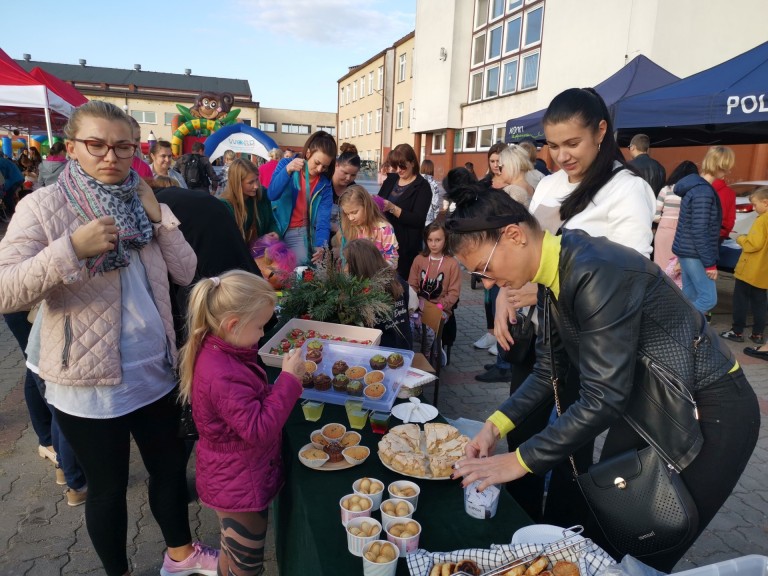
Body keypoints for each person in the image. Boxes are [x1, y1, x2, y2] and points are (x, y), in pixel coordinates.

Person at [445, 185, 759, 572]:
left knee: (641, 550)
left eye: (485, 269)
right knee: (602, 537)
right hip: (646, 405)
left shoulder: (596, 269)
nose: (488, 284)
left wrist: (521, 460)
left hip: (707, 411)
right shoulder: (552, 275)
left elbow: (603, 397)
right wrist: (495, 426)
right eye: (478, 276)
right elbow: (549, 372)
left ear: (514, 235)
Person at [0, 101, 218, 576]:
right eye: (96, 145)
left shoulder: (143, 201)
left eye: (123, 146)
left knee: (167, 471)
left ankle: (181, 556)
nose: (110, 156)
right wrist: (70, 250)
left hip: (153, 368)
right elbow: (6, 290)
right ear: (73, 147)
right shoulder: (43, 205)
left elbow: (186, 271)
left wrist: (158, 214)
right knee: (108, 488)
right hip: (87, 380)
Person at [492, 87, 656, 520]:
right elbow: (518, 249)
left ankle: (563, 538)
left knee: (570, 453)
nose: (561, 155)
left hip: (589, 346)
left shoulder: (627, 190)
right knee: (521, 432)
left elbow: (629, 278)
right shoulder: (548, 184)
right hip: (538, 336)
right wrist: (502, 301)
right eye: (553, 144)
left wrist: (544, 290)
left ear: (601, 132)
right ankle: (516, 528)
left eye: (572, 144)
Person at [178, 271, 304, 576]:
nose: (262, 334)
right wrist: (288, 380)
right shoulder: (222, 373)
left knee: (232, 550)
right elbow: (258, 429)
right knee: (246, 564)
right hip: (239, 482)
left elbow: (248, 404)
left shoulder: (220, 350)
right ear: (232, 325)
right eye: (260, 326)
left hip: (235, 475)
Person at [268, 130, 336, 266]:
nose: (319, 169)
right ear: (308, 153)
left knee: (300, 272)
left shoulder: (324, 185)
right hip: (275, 228)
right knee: (271, 273)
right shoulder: (286, 164)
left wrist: (321, 245)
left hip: (300, 233)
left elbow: (323, 220)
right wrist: (287, 171)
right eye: (317, 162)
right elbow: (272, 194)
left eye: (325, 166)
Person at [672, 147, 725, 315]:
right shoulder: (703, 191)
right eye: (727, 165)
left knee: (689, 295)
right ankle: (675, 328)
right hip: (695, 253)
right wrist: (710, 264)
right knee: (708, 298)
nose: (729, 170)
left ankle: (678, 333)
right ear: (719, 165)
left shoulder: (695, 188)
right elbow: (700, 230)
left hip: (687, 252)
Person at [378, 143, 433, 285]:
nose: (398, 170)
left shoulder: (422, 186)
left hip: (406, 247)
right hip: (385, 243)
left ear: (413, 163)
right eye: (395, 166)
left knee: (402, 287)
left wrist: (392, 208)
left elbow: (418, 220)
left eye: (402, 166)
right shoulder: (391, 180)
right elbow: (379, 201)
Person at [720, 186, 768, 345]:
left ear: (765, 203)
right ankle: (758, 334)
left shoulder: (762, 220)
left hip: (750, 269)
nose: (754, 209)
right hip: (763, 271)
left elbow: (754, 244)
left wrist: (741, 238)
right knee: (760, 303)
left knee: (740, 300)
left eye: (755, 205)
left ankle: (737, 331)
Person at [345, 239, 412, 350]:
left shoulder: (366, 293)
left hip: (383, 352)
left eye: (348, 263)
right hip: (405, 346)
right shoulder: (398, 280)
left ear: (360, 266)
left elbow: (360, 331)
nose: (345, 268)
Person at [474, 143, 508, 362]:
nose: (496, 165)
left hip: (504, 247)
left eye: (499, 161)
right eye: (492, 161)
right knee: (487, 296)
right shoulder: (486, 183)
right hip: (486, 245)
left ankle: (501, 337)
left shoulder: (512, 182)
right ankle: (490, 333)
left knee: (500, 294)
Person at [408, 221, 460, 357]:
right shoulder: (419, 259)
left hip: (440, 308)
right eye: (430, 240)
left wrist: (439, 306)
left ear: (445, 240)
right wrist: (415, 303)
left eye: (438, 240)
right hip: (418, 306)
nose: (433, 244)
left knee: (429, 329)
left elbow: (454, 293)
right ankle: (415, 352)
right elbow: (412, 285)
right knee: (408, 326)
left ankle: (427, 354)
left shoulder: (452, 263)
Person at [653, 161, 699, 271]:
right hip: (684, 232)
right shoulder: (694, 191)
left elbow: (655, 215)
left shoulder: (666, 189)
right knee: (678, 268)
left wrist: (665, 220)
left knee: (661, 265)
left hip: (664, 230)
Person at [219, 159, 278, 244]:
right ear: (237, 183)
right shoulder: (225, 206)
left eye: (257, 179)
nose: (256, 186)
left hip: (262, 253)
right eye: (250, 183)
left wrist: (275, 233)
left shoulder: (263, 194)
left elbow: (271, 222)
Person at [338, 184, 398, 268]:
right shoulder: (349, 227)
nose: (350, 218)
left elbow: (393, 259)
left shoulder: (384, 228)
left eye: (354, 212)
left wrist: (376, 270)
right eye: (347, 214)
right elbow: (344, 257)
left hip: (378, 277)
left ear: (366, 206)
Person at [704, 146, 737, 243]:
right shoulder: (729, 193)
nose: (728, 172)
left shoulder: (697, 187)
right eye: (726, 168)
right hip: (716, 236)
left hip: (693, 242)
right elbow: (731, 219)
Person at [330, 149, 361, 235]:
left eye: (353, 175)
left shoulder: (355, 190)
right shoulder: (323, 185)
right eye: (345, 173)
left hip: (346, 239)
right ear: (336, 165)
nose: (348, 178)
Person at [126, 115, 154, 180]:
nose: (134, 143)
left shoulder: (144, 167)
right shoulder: (107, 164)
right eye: (130, 138)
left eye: (137, 139)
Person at [420, 159, 444, 225]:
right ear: (432, 169)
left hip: (415, 216)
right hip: (428, 218)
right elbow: (435, 203)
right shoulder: (434, 184)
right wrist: (435, 216)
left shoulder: (416, 181)